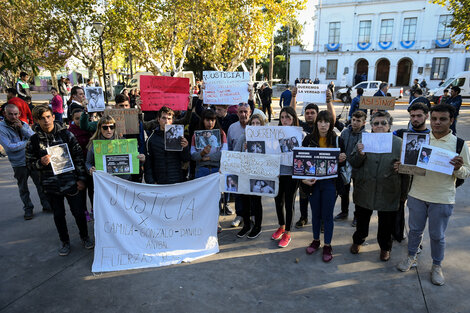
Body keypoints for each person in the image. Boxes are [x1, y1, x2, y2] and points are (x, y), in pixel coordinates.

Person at [397, 104, 470, 286]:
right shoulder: (420, 139)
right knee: (414, 231)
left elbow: (466, 172)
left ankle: (437, 266)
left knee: (437, 235)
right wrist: (402, 165)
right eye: (434, 118)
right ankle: (411, 257)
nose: (437, 122)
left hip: (442, 198)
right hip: (417, 195)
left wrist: (458, 168)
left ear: (451, 121)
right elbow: (409, 165)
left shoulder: (459, 144)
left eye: (442, 119)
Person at [25, 105, 93, 256]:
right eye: (42, 118)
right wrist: (40, 163)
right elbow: (29, 165)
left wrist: (81, 179)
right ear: (36, 120)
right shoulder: (34, 141)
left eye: (48, 117)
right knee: (58, 215)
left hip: (72, 183)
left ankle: (85, 237)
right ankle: (65, 241)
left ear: (53, 117)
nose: (46, 120)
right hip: (51, 187)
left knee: (79, 213)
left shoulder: (66, 135)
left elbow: (79, 158)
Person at [349, 111, 404, 262]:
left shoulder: (399, 143)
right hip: (365, 188)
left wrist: (402, 168)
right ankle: (358, 240)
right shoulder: (363, 140)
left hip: (388, 190)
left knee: (386, 223)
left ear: (389, 126)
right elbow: (353, 162)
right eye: (376, 123)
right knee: (362, 220)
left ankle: (385, 248)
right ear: (371, 125)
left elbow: (407, 171)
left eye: (383, 123)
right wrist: (360, 154)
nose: (379, 126)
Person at [302, 110, 347, 262]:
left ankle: (327, 245)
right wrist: (303, 180)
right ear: (316, 123)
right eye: (320, 121)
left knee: (327, 216)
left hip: (330, 183)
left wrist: (342, 158)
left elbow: (343, 163)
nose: (323, 124)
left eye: (326, 122)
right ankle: (315, 240)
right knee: (315, 214)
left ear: (331, 124)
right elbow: (300, 163)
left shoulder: (337, 140)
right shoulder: (308, 139)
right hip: (313, 184)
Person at [0, 104, 51, 220]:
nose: (14, 117)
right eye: (10, 114)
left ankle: (46, 205)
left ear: (19, 114)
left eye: (16, 114)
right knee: (23, 188)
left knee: (40, 184)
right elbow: (9, 147)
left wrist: (22, 128)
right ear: (5, 114)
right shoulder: (1, 128)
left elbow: (34, 137)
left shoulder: (23, 124)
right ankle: (28, 208)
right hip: (18, 163)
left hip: (31, 159)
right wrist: (28, 143)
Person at [233, 114, 266, 239]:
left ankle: (257, 226)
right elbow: (235, 154)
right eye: (253, 123)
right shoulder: (243, 137)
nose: (255, 126)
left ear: (262, 126)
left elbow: (269, 157)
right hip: (244, 174)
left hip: (257, 175)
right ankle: (246, 225)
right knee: (244, 200)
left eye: (258, 123)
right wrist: (244, 150)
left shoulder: (266, 139)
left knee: (256, 201)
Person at [272, 106, 301, 248]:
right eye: (282, 117)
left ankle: (288, 232)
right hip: (277, 173)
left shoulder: (300, 134)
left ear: (293, 118)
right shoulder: (275, 133)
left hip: (291, 174)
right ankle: (281, 226)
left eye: (288, 117)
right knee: (278, 201)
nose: (284, 120)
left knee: (289, 203)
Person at [86, 115, 145, 181]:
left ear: (115, 128)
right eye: (105, 127)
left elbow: (134, 162)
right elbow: (88, 162)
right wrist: (90, 169)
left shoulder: (124, 142)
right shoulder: (94, 144)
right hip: (104, 181)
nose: (109, 130)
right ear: (100, 128)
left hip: (124, 180)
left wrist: (141, 160)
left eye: (111, 127)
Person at [334, 110, 367, 224]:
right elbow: (340, 147)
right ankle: (344, 212)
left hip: (359, 167)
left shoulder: (366, 135)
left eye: (358, 121)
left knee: (358, 193)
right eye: (353, 120)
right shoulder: (345, 132)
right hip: (345, 167)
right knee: (344, 191)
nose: (355, 123)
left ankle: (357, 216)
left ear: (364, 123)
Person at [144, 106, 190, 184]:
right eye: (164, 118)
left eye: (169, 119)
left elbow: (186, 159)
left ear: (172, 120)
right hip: (159, 181)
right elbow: (148, 163)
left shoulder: (179, 136)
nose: (166, 121)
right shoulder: (151, 139)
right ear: (158, 119)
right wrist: (151, 182)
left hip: (176, 180)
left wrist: (185, 147)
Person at [227, 102, 252, 227]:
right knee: (238, 192)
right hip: (237, 166)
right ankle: (240, 215)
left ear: (250, 113)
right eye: (241, 112)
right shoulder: (232, 128)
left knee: (253, 192)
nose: (243, 114)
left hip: (253, 167)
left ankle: (252, 215)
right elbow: (230, 148)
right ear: (237, 113)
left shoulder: (256, 126)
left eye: (245, 112)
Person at [191, 109, 227, 178]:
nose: (210, 123)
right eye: (207, 120)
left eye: (212, 120)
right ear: (203, 121)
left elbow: (224, 152)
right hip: (201, 169)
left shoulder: (221, 134)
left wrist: (208, 158)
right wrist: (202, 153)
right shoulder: (196, 135)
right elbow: (192, 154)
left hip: (216, 170)